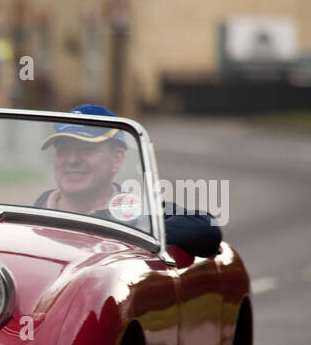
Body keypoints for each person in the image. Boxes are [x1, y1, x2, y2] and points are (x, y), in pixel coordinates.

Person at [36, 104, 222, 257]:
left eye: (87, 150)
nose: (72, 160)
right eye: (63, 150)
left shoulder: (135, 212)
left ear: (117, 159)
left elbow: (206, 229)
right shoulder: (31, 212)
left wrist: (135, 231)